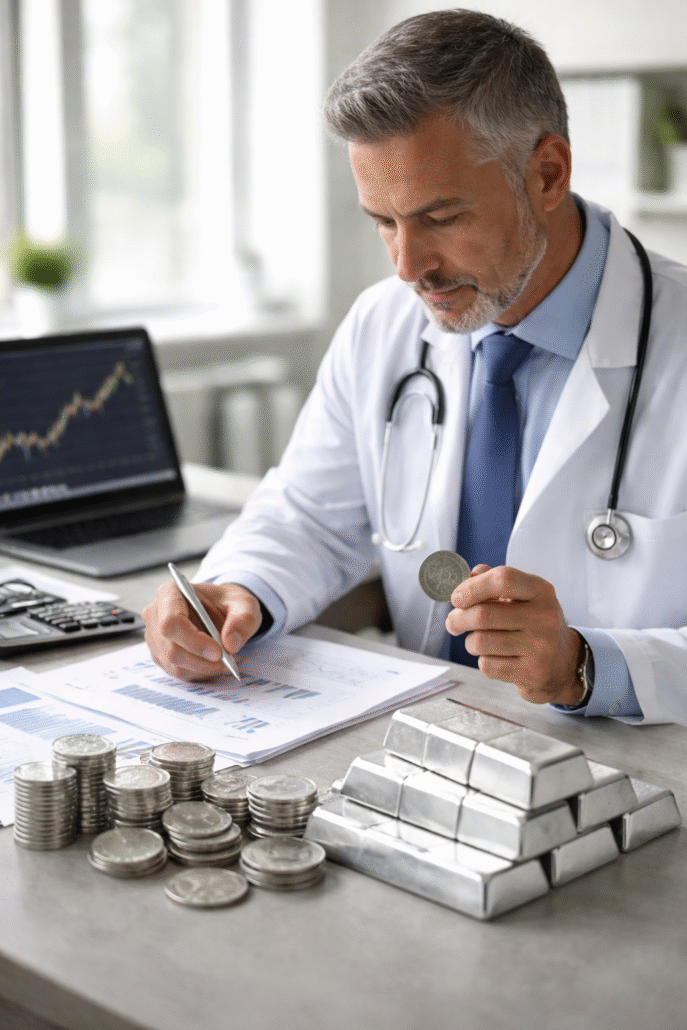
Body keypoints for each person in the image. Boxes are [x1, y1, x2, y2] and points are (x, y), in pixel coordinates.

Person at [143, 9, 687, 726]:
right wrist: (238, 589)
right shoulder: (383, 323)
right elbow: (308, 514)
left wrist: (586, 663)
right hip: (429, 747)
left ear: (547, 173)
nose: (408, 267)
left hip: (640, 773)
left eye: (439, 217)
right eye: (382, 221)